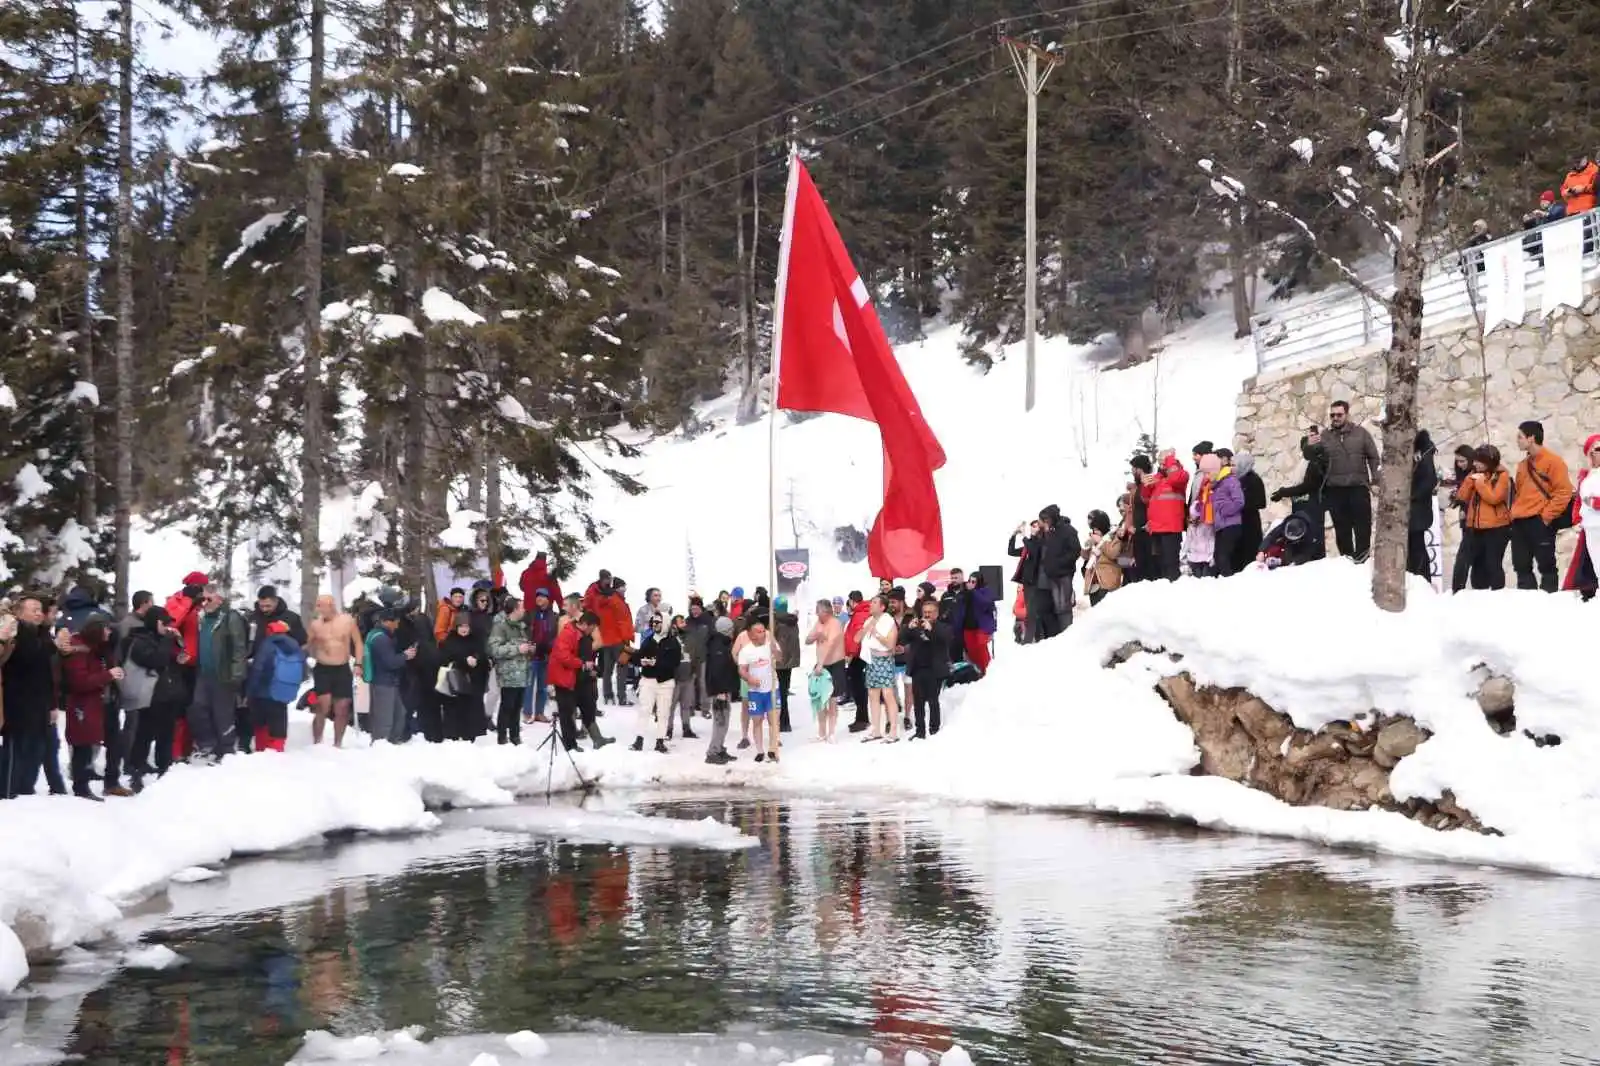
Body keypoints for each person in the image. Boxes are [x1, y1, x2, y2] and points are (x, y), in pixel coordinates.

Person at [124, 606, 186, 790]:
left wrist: (179, 648)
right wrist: (167, 641)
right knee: (144, 734)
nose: (167, 627)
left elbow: (170, 660)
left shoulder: (165, 640)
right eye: (164, 623)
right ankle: (135, 770)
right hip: (149, 696)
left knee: (166, 735)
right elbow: (156, 660)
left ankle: (164, 769)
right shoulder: (139, 640)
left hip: (168, 694)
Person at [1509, 419, 1574, 593]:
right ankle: (1528, 604)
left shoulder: (1554, 461)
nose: (1517, 440)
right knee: (1521, 567)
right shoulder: (1523, 465)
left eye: (1520, 437)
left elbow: (1564, 492)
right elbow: (1519, 493)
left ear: (1531, 438)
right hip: (1519, 522)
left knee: (1547, 567)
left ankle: (1549, 606)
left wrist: (1545, 517)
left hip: (1539, 521)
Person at [63, 615, 123, 800]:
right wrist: (108, 675)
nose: (109, 632)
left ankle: (112, 783)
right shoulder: (79, 649)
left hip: (106, 702)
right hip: (86, 705)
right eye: (105, 628)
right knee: (83, 745)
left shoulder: (102, 647)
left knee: (115, 743)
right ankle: (81, 787)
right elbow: (79, 682)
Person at [1311, 401, 1380, 560]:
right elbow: (1316, 463)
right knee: (1342, 532)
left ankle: (1362, 562)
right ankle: (1346, 565)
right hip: (1335, 491)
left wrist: (1376, 482)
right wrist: (1311, 448)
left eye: (1339, 414)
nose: (1335, 418)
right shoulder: (1324, 437)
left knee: (1363, 529)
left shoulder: (1361, 433)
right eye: (1332, 415)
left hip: (1358, 488)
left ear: (1347, 415)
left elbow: (1374, 458)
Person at [188, 586, 248, 761]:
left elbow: (239, 646)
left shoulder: (230, 617)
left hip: (223, 672)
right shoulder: (202, 617)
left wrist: (237, 673)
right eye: (203, 599)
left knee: (223, 713)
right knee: (198, 708)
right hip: (204, 672)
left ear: (219, 600)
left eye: (209, 599)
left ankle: (226, 749)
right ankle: (209, 744)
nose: (204, 603)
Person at [306, 594, 362, 746]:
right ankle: (317, 742)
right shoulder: (315, 624)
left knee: (342, 707)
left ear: (331, 606)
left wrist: (358, 664)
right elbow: (307, 644)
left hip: (342, 667)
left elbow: (358, 643)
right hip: (323, 668)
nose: (319, 609)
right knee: (323, 705)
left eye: (321, 606)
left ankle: (338, 743)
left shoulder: (347, 621)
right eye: (317, 606)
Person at [1454, 444, 1512, 591]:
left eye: (1478, 461)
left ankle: (1498, 594)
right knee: (1475, 565)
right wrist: (1469, 480)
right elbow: (1462, 496)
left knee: (1493, 564)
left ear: (1487, 462)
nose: (1474, 464)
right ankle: (1475, 595)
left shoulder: (1502, 476)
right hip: (1474, 526)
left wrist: (1480, 483)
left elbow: (1494, 498)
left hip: (1496, 528)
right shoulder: (1474, 474)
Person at [245, 619, 306, 753]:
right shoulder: (295, 646)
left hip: (264, 689)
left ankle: (262, 749)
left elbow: (258, 669)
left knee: (261, 720)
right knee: (279, 718)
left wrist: (249, 690)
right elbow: (303, 670)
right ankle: (278, 749)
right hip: (284, 690)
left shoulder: (268, 644)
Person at [1270, 428, 1330, 561]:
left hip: (1312, 504)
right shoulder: (1303, 464)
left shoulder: (1316, 462)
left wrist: (1284, 492)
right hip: (1301, 505)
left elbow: (1308, 486)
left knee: (1313, 539)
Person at [550, 610, 606, 751]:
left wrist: (592, 668)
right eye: (592, 628)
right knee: (567, 713)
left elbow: (586, 655)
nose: (593, 631)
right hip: (565, 679)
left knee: (588, 706)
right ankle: (570, 745)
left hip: (579, 678)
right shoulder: (568, 633)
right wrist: (581, 663)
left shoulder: (584, 636)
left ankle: (597, 738)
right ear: (586, 625)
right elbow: (563, 656)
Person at [632, 613, 682, 753]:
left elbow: (675, 662)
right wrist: (640, 661)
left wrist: (657, 663)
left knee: (663, 712)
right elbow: (637, 657)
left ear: (665, 623)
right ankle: (639, 740)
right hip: (648, 680)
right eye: (653, 622)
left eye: (658, 622)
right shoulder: (648, 640)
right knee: (644, 710)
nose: (655, 624)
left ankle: (660, 741)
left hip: (665, 682)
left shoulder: (673, 642)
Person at [488, 596, 534, 745]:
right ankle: (502, 737)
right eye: (521, 607)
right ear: (514, 609)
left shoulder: (521, 627)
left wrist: (529, 649)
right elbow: (494, 649)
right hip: (508, 675)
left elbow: (522, 647)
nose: (524, 609)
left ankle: (515, 736)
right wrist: (517, 649)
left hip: (522, 674)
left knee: (517, 707)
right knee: (507, 706)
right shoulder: (500, 627)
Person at [904, 599, 951, 740]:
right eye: (925, 612)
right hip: (918, 669)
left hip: (934, 670)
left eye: (930, 612)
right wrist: (908, 628)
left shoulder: (943, 627)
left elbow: (946, 638)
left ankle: (934, 729)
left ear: (936, 614)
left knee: (932, 700)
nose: (927, 615)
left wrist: (932, 629)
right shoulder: (917, 625)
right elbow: (902, 639)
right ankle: (920, 731)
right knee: (918, 702)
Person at [1140, 451, 1190, 581]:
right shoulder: (1157, 478)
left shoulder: (1181, 474)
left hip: (1171, 528)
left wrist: (1170, 460)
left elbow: (1176, 478)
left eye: (1164, 461)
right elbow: (1145, 499)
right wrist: (1145, 486)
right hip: (1156, 528)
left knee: (1171, 563)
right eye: (1160, 462)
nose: (1162, 465)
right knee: (1160, 564)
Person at [439, 615, 490, 741]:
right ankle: (453, 734)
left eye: (466, 626)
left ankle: (470, 734)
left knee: (471, 709)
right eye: (461, 626)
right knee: (455, 708)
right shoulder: (450, 640)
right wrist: (463, 660)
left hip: (473, 681)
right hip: (455, 682)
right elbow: (445, 658)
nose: (464, 629)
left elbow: (483, 656)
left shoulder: (476, 639)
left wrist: (476, 659)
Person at [737, 619, 779, 763]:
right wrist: (749, 678)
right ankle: (760, 750)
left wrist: (776, 651)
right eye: (759, 632)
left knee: (774, 721)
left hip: (772, 689)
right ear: (751, 635)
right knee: (757, 721)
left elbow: (780, 658)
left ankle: (773, 749)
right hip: (755, 692)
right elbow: (741, 670)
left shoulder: (770, 645)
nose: (763, 634)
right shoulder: (746, 651)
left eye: (764, 631)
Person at [860, 595, 901, 743]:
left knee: (888, 694)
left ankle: (894, 731)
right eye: (871, 602)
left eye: (875, 602)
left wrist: (875, 632)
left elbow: (890, 644)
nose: (871, 604)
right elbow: (858, 639)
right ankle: (876, 729)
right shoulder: (869, 620)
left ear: (882, 607)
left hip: (884, 659)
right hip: (871, 660)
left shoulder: (889, 621)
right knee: (872, 695)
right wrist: (865, 629)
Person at [1563, 433, 1600, 595]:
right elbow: (1580, 499)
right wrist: (1577, 518)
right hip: (1591, 526)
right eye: (1597, 449)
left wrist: (1594, 503)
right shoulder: (1587, 476)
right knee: (1595, 563)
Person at [806, 598, 845, 741]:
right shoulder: (818, 623)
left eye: (818, 610)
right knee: (820, 700)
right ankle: (821, 731)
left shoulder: (835, 624)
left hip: (834, 664)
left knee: (832, 700)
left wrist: (821, 664)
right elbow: (807, 640)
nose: (816, 613)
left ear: (825, 611)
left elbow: (831, 644)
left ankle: (832, 731)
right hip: (821, 665)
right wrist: (815, 635)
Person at [703, 615, 739, 764]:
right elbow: (717, 671)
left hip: (722, 689)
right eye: (731, 629)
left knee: (724, 720)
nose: (732, 632)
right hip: (720, 691)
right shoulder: (718, 646)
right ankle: (713, 752)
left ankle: (719, 748)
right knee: (721, 721)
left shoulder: (721, 643)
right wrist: (720, 692)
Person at [521, 588, 559, 725]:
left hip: (546, 655)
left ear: (548, 599)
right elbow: (523, 632)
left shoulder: (554, 616)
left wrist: (548, 648)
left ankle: (539, 712)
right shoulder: (530, 614)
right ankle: (527, 712)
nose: (539, 599)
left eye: (542, 597)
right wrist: (527, 644)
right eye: (537, 596)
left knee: (543, 686)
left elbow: (555, 636)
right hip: (531, 654)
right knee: (529, 685)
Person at [1408, 431, 1441, 580]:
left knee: (1416, 546)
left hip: (1418, 507)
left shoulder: (1424, 451)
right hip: (1416, 506)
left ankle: (1421, 579)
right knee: (1414, 546)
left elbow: (1430, 480)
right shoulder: (1419, 449)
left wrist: (1412, 496)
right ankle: (1418, 578)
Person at [1445, 444, 1477, 593]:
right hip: (1466, 520)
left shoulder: (1475, 475)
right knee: (1465, 555)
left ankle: (1459, 589)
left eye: (1463, 461)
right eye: (1458, 461)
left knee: (1466, 556)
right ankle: (1458, 589)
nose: (1460, 464)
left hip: (1476, 519)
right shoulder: (1462, 476)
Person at [1007, 519, 1046, 641]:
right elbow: (1011, 551)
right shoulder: (1029, 544)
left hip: (1036, 583)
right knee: (1030, 614)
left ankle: (1032, 640)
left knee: (1032, 614)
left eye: (1035, 526)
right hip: (1027, 583)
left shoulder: (1040, 543)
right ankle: (1031, 640)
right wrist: (1014, 535)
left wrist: (1024, 536)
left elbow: (1034, 551)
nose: (1032, 529)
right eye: (1032, 526)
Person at [1210, 456, 1246, 577]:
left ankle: (1229, 584)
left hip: (1231, 524)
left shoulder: (1230, 480)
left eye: (1209, 472)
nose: (1207, 476)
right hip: (1220, 525)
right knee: (1217, 557)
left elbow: (1239, 501)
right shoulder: (1216, 486)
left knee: (1223, 557)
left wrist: (1225, 511)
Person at [1232, 453, 1267, 575]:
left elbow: (1261, 502)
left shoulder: (1254, 479)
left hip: (1250, 522)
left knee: (1249, 552)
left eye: (1234, 465)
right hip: (1237, 522)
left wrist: (1240, 504)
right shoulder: (1235, 480)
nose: (1232, 468)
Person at [1187, 454, 1221, 577]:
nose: (1205, 476)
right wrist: (1195, 513)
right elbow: (1200, 502)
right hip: (1202, 522)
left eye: (1207, 473)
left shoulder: (1218, 485)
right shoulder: (1205, 486)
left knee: (1209, 551)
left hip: (1212, 524)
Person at [1082, 510, 1127, 605]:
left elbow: (1113, 553)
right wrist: (1087, 548)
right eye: (1093, 529)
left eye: (1096, 528)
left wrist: (1101, 541)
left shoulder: (1114, 535)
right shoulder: (1094, 538)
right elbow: (1086, 557)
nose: (1094, 531)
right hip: (1094, 581)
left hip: (1108, 580)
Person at [842, 591, 872, 730]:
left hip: (858, 655)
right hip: (859, 654)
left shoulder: (860, 615)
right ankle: (861, 717)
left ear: (853, 602)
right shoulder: (862, 612)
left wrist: (851, 653)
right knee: (858, 685)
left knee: (858, 686)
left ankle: (862, 718)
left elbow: (857, 636)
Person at [771, 596, 801, 733]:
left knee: (777, 692)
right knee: (784, 691)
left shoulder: (775, 622)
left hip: (778, 660)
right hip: (789, 661)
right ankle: (785, 722)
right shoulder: (793, 621)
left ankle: (780, 721)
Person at [961, 572, 997, 671]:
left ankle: (986, 669)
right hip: (968, 625)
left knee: (981, 648)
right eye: (970, 581)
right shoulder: (967, 592)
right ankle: (978, 669)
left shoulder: (985, 591)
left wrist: (973, 592)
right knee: (971, 649)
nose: (971, 583)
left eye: (974, 582)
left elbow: (985, 603)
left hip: (981, 626)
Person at [1562, 153, 1597, 218]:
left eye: (1578, 162)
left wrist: (1583, 188)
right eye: (1575, 162)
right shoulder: (1570, 175)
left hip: (1588, 210)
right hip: (1571, 212)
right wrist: (1566, 192)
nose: (1577, 164)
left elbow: (1596, 187)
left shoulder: (1594, 170)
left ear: (1585, 158)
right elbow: (1563, 190)